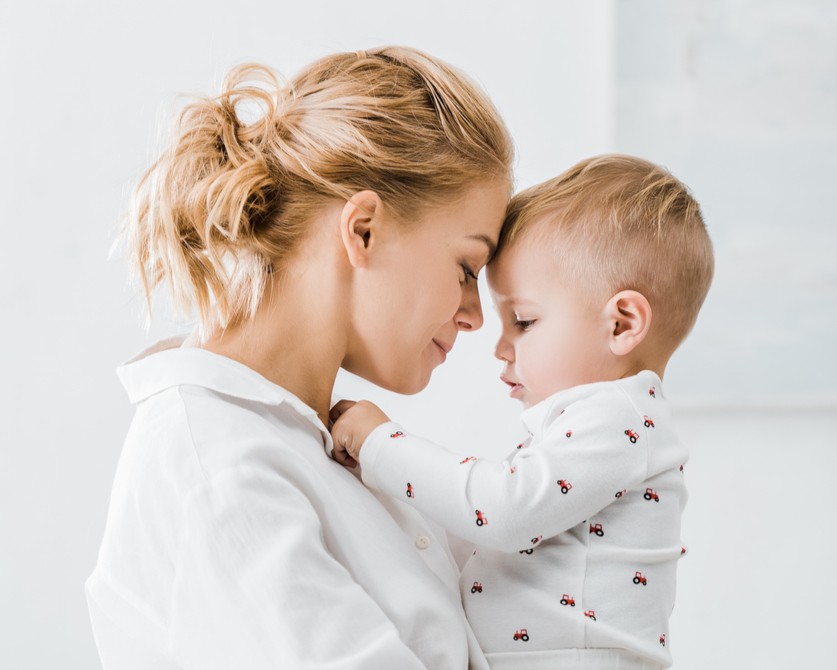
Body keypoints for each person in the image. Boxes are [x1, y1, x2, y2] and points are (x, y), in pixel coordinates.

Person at [85, 47, 514, 669]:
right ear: (363, 228)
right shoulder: (221, 469)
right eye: (467, 267)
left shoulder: (319, 445)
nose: (476, 315)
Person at [330, 155, 715, 670]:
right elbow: (483, 538)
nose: (500, 347)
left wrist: (381, 444)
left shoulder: (621, 420)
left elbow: (502, 512)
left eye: (524, 321)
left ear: (622, 324)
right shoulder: (588, 429)